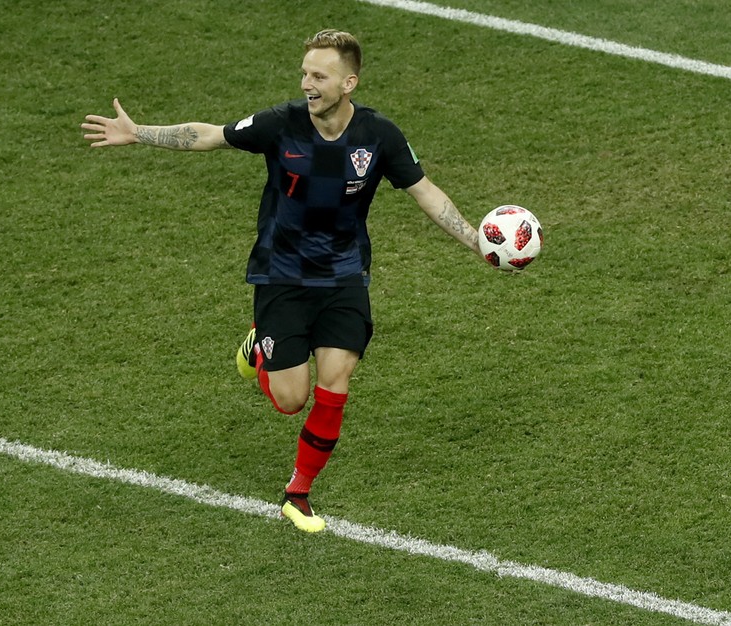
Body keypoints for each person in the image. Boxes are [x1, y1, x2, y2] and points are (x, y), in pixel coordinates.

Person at [82, 29, 483, 533]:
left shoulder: (379, 136)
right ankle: (259, 348)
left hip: (344, 276)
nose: (307, 83)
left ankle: (298, 493)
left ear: (349, 82)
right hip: (282, 275)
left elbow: (423, 191)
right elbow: (211, 134)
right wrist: (139, 132)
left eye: (319, 75)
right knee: (292, 400)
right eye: (304, 73)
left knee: (335, 382)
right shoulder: (281, 124)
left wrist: (475, 240)